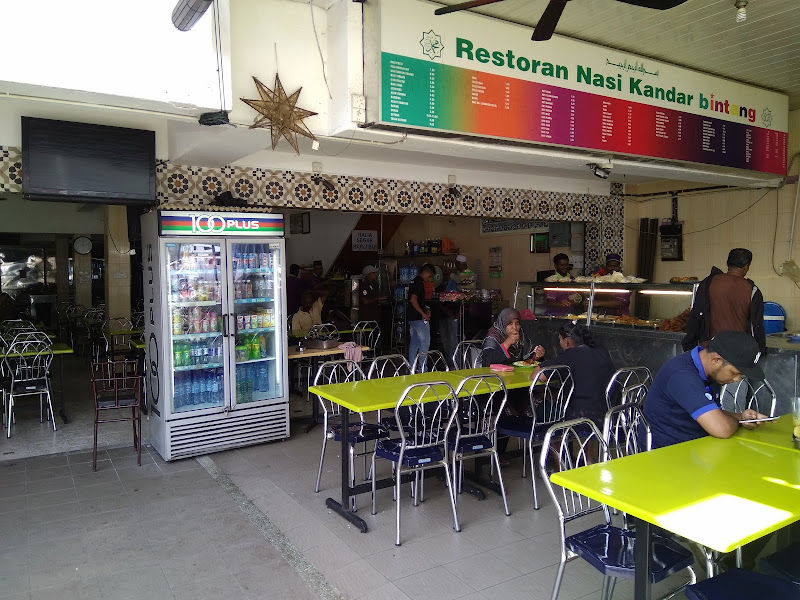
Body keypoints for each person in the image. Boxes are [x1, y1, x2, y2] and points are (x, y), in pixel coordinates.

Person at [643, 330, 768, 449]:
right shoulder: (682, 375)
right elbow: (721, 429)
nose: (737, 380)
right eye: (735, 373)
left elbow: (712, 414)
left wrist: (741, 416)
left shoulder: (708, 370)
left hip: (698, 446)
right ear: (716, 360)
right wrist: (738, 420)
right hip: (667, 454)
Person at [683, 248, 765, 353]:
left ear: (727, 263)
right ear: (746, 266)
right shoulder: (752, 290)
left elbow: (695, 316)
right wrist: (760, 351)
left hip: (710, 351)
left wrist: (689, 346)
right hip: (738, 352)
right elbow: (757, 326)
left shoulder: (709, 283)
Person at [533, 321, 615, 424]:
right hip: (611, 415)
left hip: (582, 417)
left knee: (538, 409)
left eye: (560, 340)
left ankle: (557, 438)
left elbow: (538, 375)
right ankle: (564, 438)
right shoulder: (601, 351)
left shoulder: (570, 355)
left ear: (567, 341)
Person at [480, 307, 544, 367]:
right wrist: (507, 343)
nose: (514, 327)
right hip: (495, 376)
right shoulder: (493, 337)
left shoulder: (521, 335)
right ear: (503, 324)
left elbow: (523, 361)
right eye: (510, 324)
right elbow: (487, 363)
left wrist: (536, 356)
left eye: (517, 323)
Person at [407, 264, 434, 364]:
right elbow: (413, 300)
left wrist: (425, 309)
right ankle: (422, 368)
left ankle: (411, 368)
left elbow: (416, 300)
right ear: (426, 272)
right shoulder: (419, 283)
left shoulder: (413, 281)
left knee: (414, 343)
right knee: (424, 343)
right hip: (419, 318)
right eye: (430, 276)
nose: (429, 279)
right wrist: (423, 314)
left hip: (412, 317)